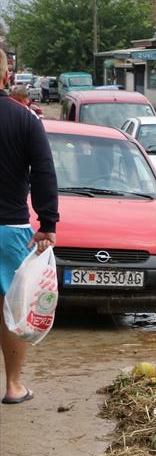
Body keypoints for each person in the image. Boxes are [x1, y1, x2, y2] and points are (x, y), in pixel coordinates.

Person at [0, 46, 58, 405]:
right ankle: (13, 386)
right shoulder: (25, 120)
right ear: (7, 76)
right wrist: (47, 222)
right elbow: (44, 172)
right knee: (11, 309)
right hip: (10, 230)